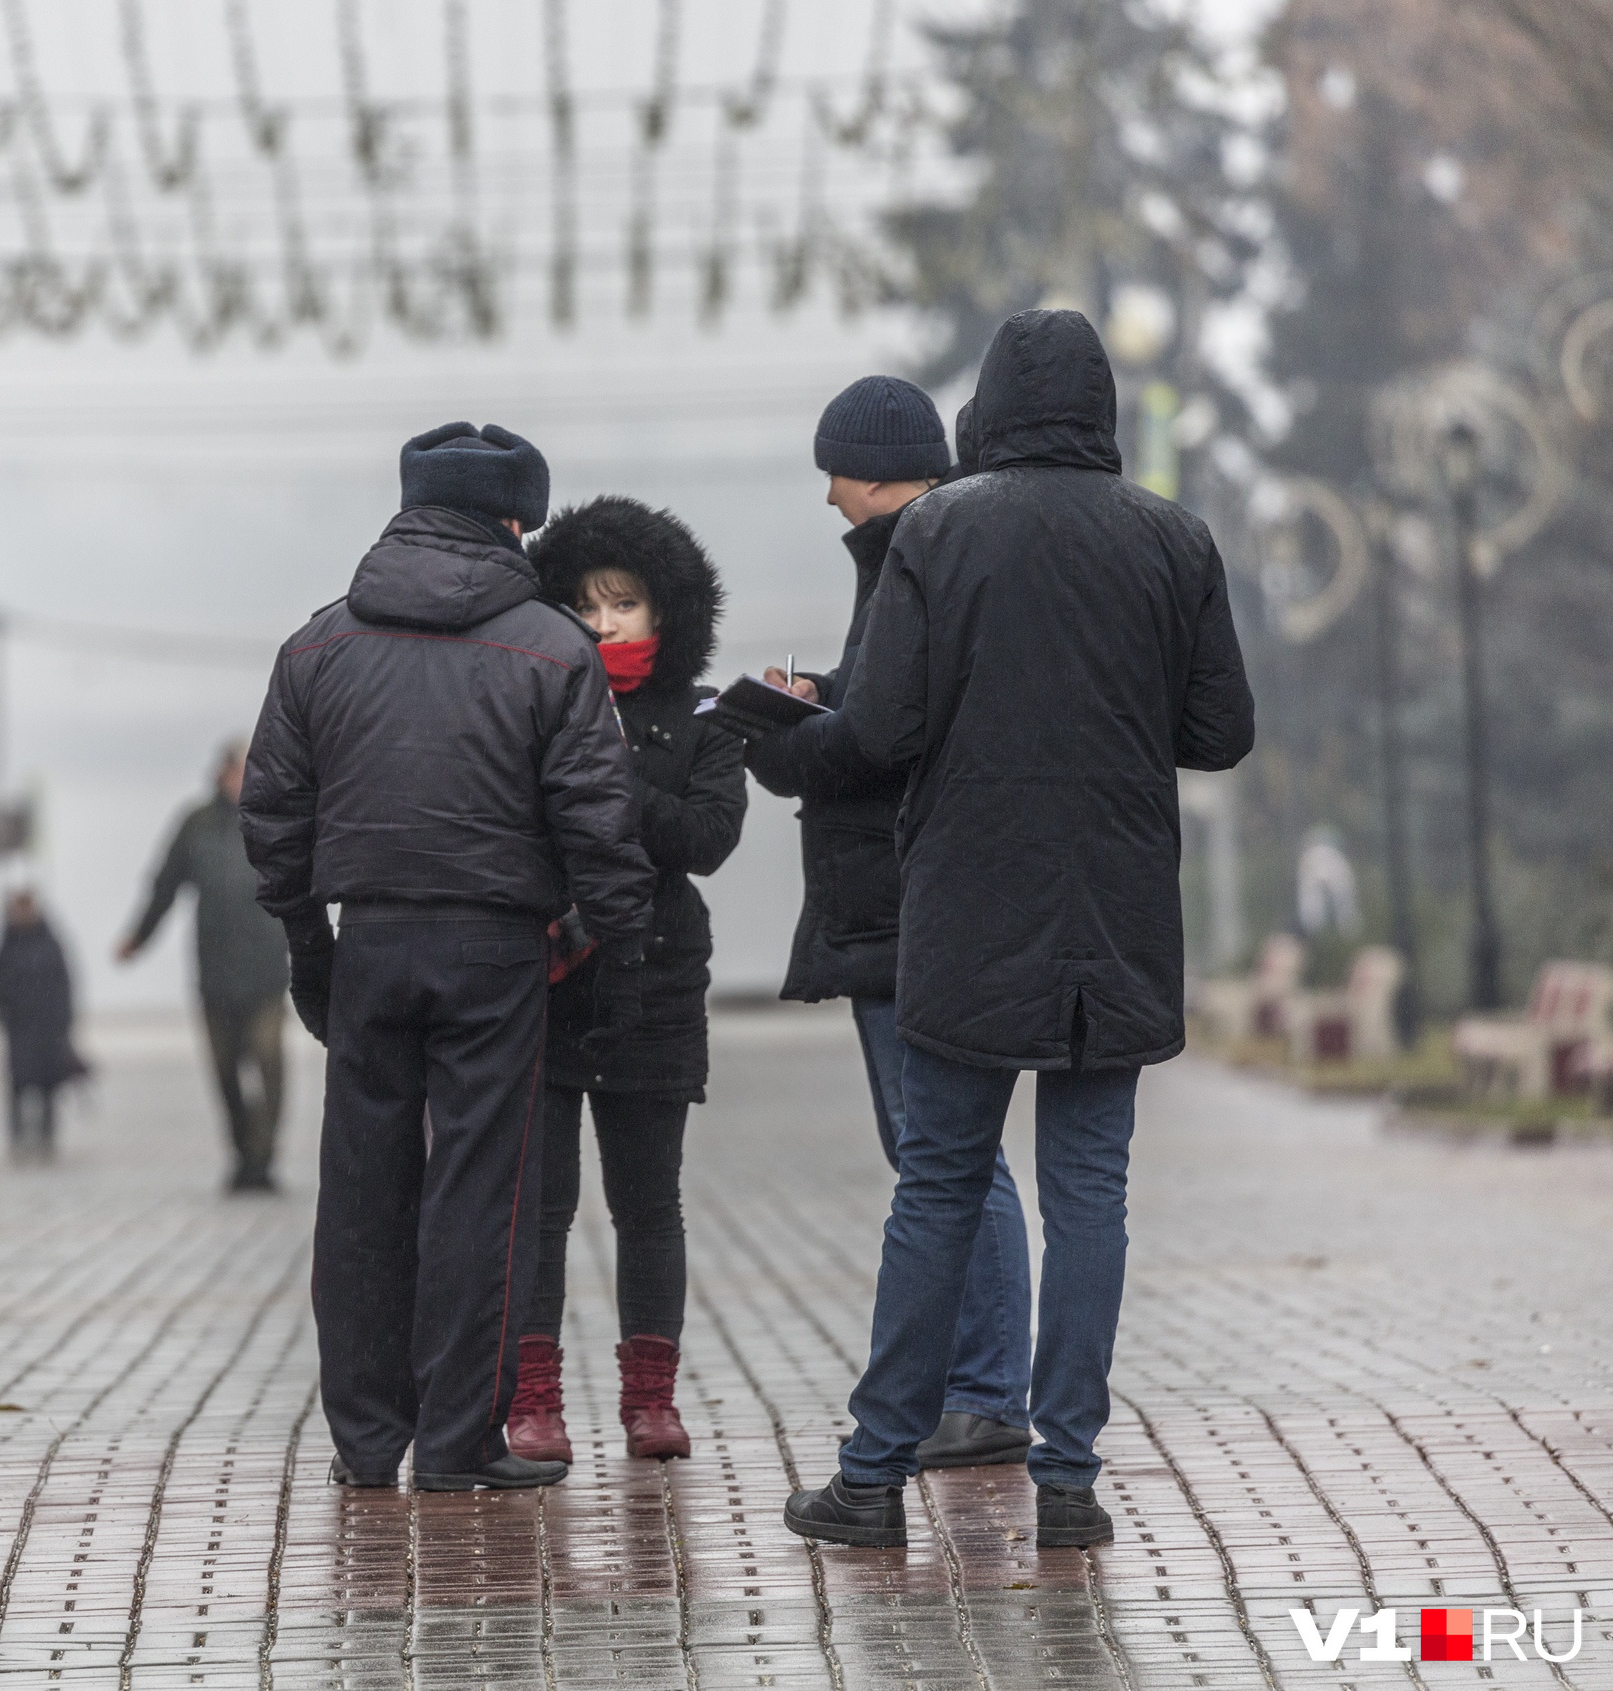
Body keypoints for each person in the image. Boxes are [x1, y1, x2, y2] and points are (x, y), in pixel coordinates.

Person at [776, 310, 1255, 1551]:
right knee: (1089, 1191)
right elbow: (1217, 734)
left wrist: (780, 736)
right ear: (1097, 409)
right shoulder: (1172, 539)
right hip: (1117, 913)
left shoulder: (939, 531)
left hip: (967, 910)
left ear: (989, 406)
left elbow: (878, 730)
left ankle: (873, 1480)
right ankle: (1069, 1481)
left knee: (936, 1185)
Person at [242, 421, 655, 1493]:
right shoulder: (553, 650)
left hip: (368, 938)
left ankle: (366, 1442)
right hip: (495, 951)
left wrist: (305, 940)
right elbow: (597, 822)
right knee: (480, 1193)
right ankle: (458, 1442)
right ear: (516, 521)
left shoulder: (318, 645)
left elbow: (275, 811)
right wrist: (613, 942)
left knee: (360, 1190)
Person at [712, 375, 1040, 1476]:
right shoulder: (931, 549)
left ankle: (985, 1394)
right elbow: (896, 700)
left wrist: (776, 737)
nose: (827, 502)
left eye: (832, 477)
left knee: (945, 1157)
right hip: (906, 901)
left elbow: (884, 736)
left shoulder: (913, 553)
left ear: (866, 468)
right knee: (944, 1155)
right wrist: (820, 692)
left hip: (901, 903)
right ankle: (975, 1386)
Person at [507, 498, 747, 1465]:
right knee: (541, 1206)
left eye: (625, 604)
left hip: (655, 982)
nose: (603, 624)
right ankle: (534, 1402)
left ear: (666, 612)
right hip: (549, 977)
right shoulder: (528, 698)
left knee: (650, 1202)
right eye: (586, 604)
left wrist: (608, 781)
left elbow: (710, 837)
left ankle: (651, 1400)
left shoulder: (704, 717)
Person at [117, 740, 292, 1193]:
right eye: (234, 771)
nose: (240, 780)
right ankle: (242, 1153)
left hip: (267, 972)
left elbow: (303, 882)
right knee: (225, 1071)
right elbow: (165, 885)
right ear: (220, 774)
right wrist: (138, 938)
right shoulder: (196, 825)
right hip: (215, 975)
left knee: (269, 1060)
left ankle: (262, 1156)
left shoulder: (278, 820)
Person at [0, 887, 89, 1162]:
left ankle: (46, 1135)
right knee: (17, 1086)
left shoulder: (50, 943)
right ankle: (17, 1135)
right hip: (18, 1028)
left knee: (47, 1086)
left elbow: (64, 985)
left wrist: (65, 1022)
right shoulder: (5, 945)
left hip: (47, 1028)